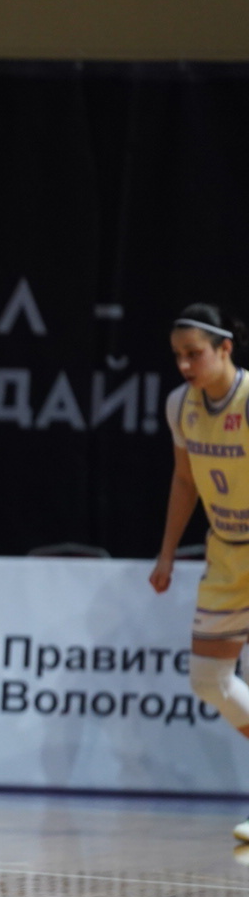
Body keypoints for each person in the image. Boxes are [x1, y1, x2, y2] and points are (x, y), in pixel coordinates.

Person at [149, 302, 249, 842]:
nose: (185, 365)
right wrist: (167, 553)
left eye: (194, 354)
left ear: (224, 348)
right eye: (178, 356)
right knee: (209, 680)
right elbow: (185, 481)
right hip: (226, 552)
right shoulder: (180, 405)